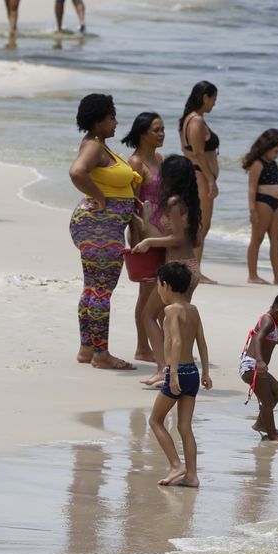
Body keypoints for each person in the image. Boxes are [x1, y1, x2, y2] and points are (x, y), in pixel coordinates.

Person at [69, 94, 142, 370]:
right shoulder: (93, 147)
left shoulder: (98, 145)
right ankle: (101, 354)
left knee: (92, 288)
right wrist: (99, 197)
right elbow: (77, 172)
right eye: (111, 117)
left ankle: (87, 348)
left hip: (98, 226)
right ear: (98, 121)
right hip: (99, 226)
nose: (116, 122)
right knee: (101, 291)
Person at [130, 154, 202, 385]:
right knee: (175, 322)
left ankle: (163, 370)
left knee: (148, 315)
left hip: (175, 270)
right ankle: (177, 371)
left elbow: (177, 237)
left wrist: (150, 242)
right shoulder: (191, 202)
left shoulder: (173, 202)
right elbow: (195, 240)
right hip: (192, 267)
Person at [146, 262, 210, 487]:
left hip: (179, 373)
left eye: (158, 286)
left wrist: (171, 374)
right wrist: (206, 372)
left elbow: (175, 340)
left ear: (166, 285)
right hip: (192, 373)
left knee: (155, 420)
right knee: (185, 427)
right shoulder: (193, 310)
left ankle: (176, 465)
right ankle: (192, 476)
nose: (158, 290)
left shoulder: (171, 310)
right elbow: (201, 342)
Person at [122, 113, 167, 365]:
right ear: (143, 133)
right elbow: (132, 205)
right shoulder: (135, 163)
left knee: (162, 290)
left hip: (162, 232)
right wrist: (137, 238)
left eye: (163, 129)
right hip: (145, 233)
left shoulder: (159, 159)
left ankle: (159, 342)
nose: (161, 134)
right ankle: (142, 347)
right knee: (147, 293)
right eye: (156, 130)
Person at [238, 287, 278, 441]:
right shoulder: (267, 320)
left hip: (255, 366)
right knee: (267, 400)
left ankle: (261, 423)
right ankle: (272, 434)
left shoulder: (273, 324)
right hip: (252, 365)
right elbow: (259, 338)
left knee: (277, 391)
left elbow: (272, 338)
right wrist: (260, 361)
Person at [179, 81, 220, 282]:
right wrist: (211, 180)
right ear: (205, 97)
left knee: (200, 224)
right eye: (213, 99)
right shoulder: (195, 121)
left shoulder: (192, 119)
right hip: (199, 176)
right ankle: (194, 270)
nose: (214, 104)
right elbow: (198, 153)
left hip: (198, 175)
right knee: (201, 225)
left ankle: (191, 267)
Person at [243, 128, 278, 285]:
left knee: (276, 239)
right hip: (262, 202)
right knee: (257, 238)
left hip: (276, 204)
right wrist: (252, 210)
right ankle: (252, 275)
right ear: (267, 147)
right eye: (276, 151)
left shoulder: (272, 163)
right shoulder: (257, 163)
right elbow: (251, 188)